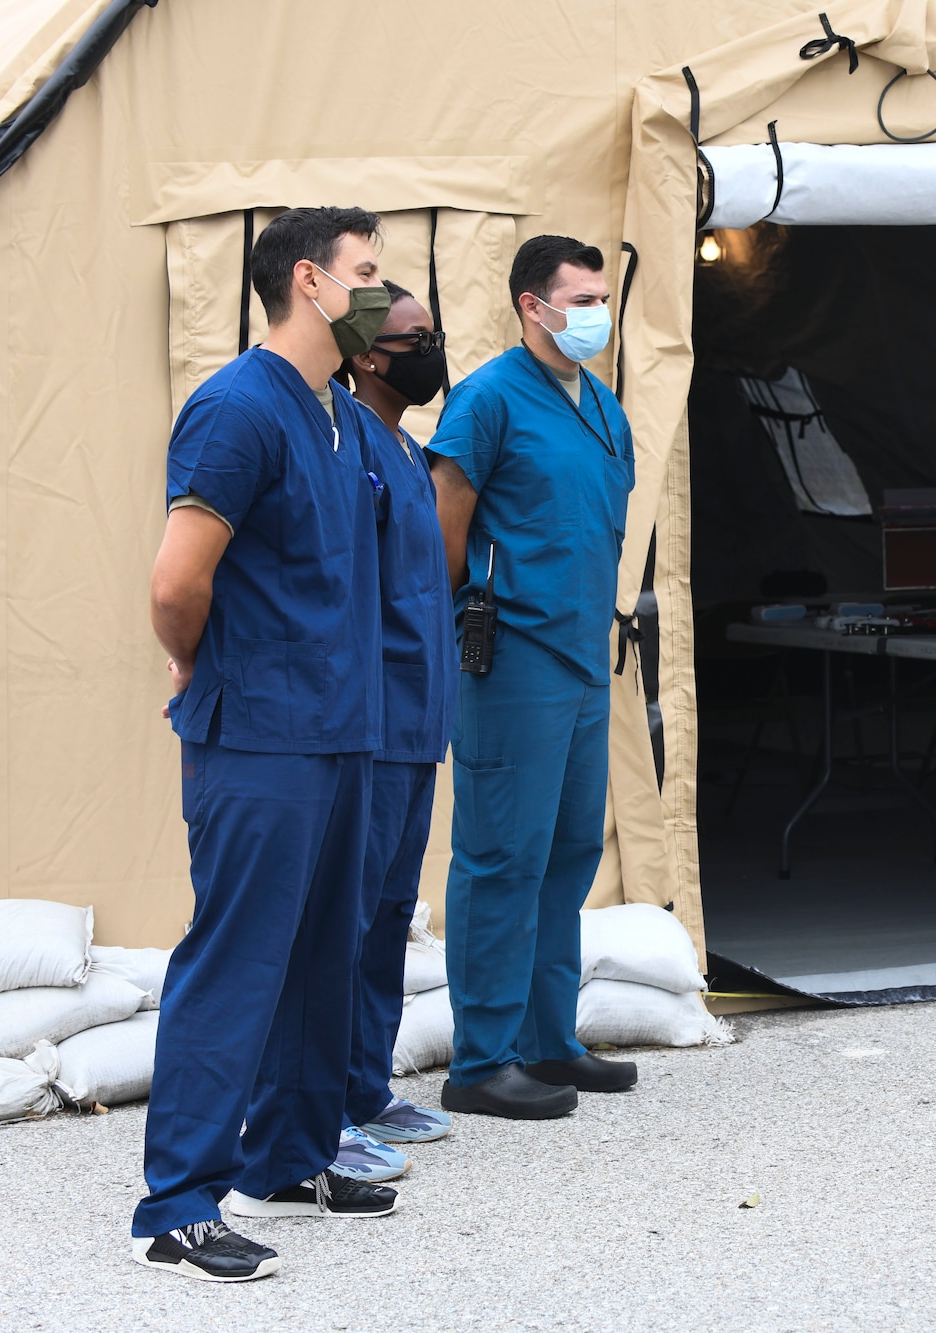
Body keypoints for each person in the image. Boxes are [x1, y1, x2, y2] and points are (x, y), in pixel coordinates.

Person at [134, 207, 405, 1283]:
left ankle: (288, 1157)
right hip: (258, 730)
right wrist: (193, 661)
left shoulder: (337, 409)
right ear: (310, 281)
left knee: (322, 953)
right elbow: (175, 579)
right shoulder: (237, 409)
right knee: (239, 959)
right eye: (370, 274)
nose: (386, 296)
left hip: (340, 729)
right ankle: (179, 1203)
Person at [426, 235, 638, 1119]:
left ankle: (550, 1039)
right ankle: (482, 1060)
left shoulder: (602, 405)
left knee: (569, 855)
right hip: (513, 658)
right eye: (579, 298)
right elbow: (439, 537)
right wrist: (460, 623)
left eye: (601, 297)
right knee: (500, 856)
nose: (596, 313)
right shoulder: (486, 403)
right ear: (531, 305)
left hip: (586, 663)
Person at [329, 281, 457, 1185]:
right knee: (338, 919)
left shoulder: (408, 452)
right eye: (416, 338)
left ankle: (364, 1085)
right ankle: (317, 1105)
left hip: (417, 722)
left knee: (384, 917)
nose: (432, 349)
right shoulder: (346, 445)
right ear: (369, 354)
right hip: (370, 723)